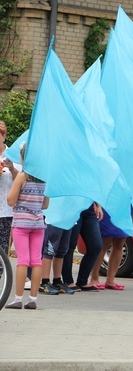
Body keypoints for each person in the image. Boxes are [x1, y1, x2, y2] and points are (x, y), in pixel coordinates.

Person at [5, 143, 49, 309]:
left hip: (21, 223)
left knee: (22, 261)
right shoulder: (44, 177)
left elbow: (10, 200)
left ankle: (17, 299)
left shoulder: (22, 176)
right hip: (38, 223)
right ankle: (33, 299)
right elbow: (45, 204)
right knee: (36, 260)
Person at [62, 203, 104, 292]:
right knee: (70, 245)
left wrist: (98, 205)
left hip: (89, 208)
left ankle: (82, 280)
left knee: (96, 246)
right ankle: (68, 280)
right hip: (73, 207)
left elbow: (94, 188)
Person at [89, 209, 127, 290]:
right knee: (105, 241)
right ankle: (94, 278)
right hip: (109, 205)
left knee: (120, 242)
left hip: (125, 205)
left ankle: (110, 280)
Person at [39, 222, 76, 295]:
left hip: (67, 220)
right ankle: (44, 282)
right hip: (54, 220)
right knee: (50, 250)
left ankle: (57, 281)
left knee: (61, 251)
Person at [0, 120, 19, 254]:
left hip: (6, 212)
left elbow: (22, 180)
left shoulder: (12, 156)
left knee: (2, 253)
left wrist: (11, 169)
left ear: (4, 135)